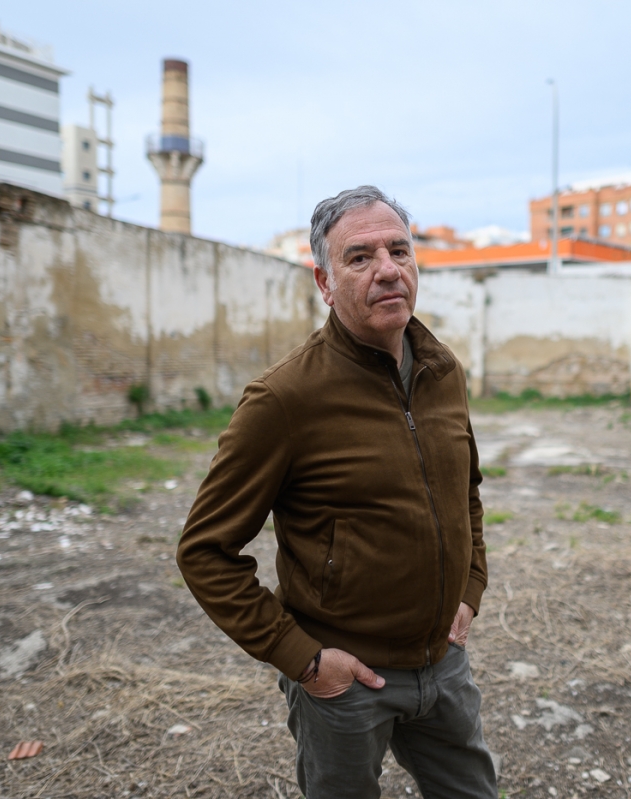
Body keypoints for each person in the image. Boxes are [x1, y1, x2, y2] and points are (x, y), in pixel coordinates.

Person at [176, 185, 495, 799]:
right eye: (360, 257)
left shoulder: (441, 370)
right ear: (324, 281)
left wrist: (471, 588)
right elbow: (205, 552)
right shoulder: (284, 399)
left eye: (399, 250)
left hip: (445, 663)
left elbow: (466, 494)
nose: (387, 270)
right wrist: (304, 660)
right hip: (346, 682)